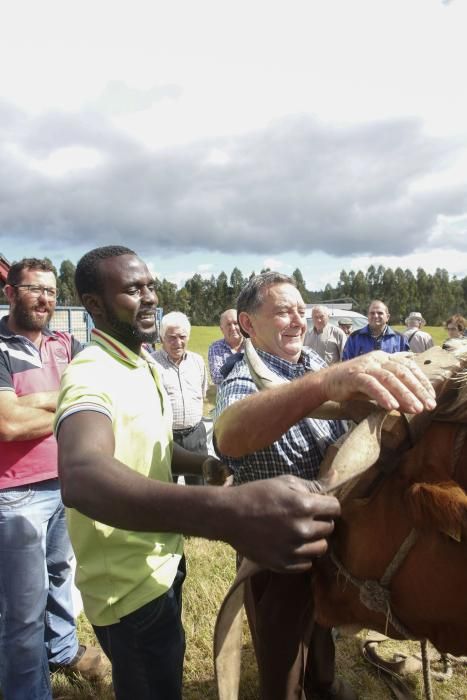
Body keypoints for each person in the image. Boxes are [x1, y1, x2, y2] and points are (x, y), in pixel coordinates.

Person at [55, 248, 435, 700]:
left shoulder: (140, 364)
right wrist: (225, 511)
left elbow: (153, 442)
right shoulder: (92, 373)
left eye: (151, 286)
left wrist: (202, 465)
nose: (149, 298)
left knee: (306, 635)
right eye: (133, 290)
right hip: (129, 578)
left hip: (164, 559)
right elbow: (82, 475)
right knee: (194, 669)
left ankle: (323, 683)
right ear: (94, 304)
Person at [214, 272, 436, 700]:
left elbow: (352, 408)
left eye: (300, 310)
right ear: (246, 323)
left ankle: (323, 684)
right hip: (279, 545)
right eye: (282, 311)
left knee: (323, 623)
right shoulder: (241, 378)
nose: (297, 320)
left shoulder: (311, 363)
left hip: (330, 533)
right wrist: (324, 385)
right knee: (281, 641)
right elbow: (229, 433)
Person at [0, 258, 106, 700]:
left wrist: (37, 403)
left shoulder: (67, 344)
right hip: (14, 494)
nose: (44, 299)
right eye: (33, 289)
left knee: (61, 574)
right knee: (23, 607)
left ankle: (61, 649)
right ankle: (27, 691)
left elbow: (98, 393)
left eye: (50, 291)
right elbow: (7, 425)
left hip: (64, 483)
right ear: (10, 293)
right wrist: (66, 402)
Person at [152, 311, 208, 485]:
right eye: (171, 337)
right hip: (166, 439)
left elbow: (202, 392)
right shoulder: (151, 364)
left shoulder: (197, 361)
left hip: (195, 436)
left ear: (188, 337)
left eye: (182, 336)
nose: (178, 342)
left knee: (201, 492)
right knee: (165, 492)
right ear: (162, 338)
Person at [342, 299, 409, 360]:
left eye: (380, 313)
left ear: (387, 317)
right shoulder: (354, 338)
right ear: (368, 316)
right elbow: (346, 363)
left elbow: (407, 363)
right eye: (372, 313)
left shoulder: (400, 339)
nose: (375, 316)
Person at [208, 308, 243, 384]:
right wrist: (238, 360)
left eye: (236, 323)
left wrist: (227, 369)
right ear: (222, 329)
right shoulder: (216, 348)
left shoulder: (253, 344)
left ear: (242, 324)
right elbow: (216, 377)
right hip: (227, 394)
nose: (233, 328)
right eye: (228, 324)